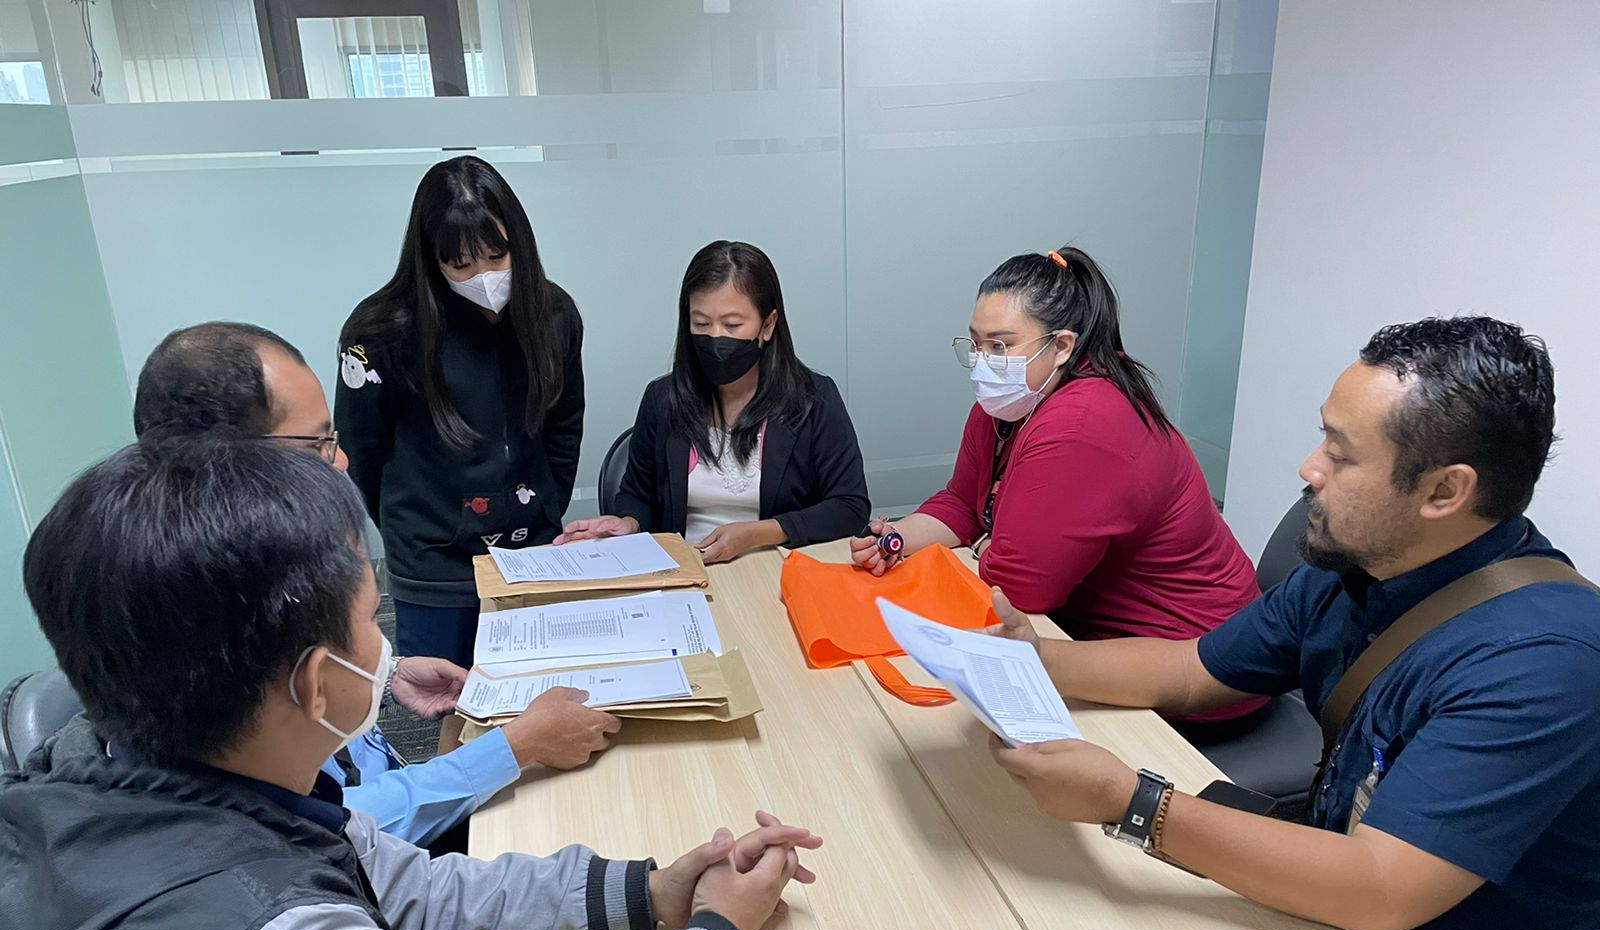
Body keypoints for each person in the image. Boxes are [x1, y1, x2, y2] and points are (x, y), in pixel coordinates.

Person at [0, 437, 822, 930]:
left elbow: (420, 897)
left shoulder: (123, 768)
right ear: (315, 685)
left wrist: (651, 893)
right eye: (371, 618)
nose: (385, 644)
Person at [987, 316, 1600, 930]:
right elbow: (1194, 670)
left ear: (1445, 491)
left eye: (1342, 454)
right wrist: (1034, 661)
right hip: (1349, 912)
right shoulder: (1355, 561)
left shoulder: (1542, 661)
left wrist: (1132, 803)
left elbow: (1382, 888)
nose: (1310, 469)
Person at [133, 320, 617, 849]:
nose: (340, 461)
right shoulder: (201, 619)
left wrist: (384, 679)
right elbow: (322, 828)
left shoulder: (261, 568)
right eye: (318, 442)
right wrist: (513, 748)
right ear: (229, 459)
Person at [850, 246, 1261, 727]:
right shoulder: (1007, 404)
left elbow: (1021, 588)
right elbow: (963, 501)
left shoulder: (1083, 421)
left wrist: (987, 546)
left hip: (1192, 662)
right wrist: (897, 540)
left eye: (1001, 346)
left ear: (1063, 346)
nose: (983, 363)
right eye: (976, 344)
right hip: (1089, 639)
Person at [336, 156, 585, 666]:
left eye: (497, 256)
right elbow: (361, 452)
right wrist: (415, 527)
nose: (484, 277)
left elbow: (564, 422)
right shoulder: (379, 332)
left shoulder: (554, 314)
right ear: (431, 258)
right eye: (461, 265)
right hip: (433, 566)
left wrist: (545, 507)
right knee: (448, 695)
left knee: (538, 686)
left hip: (531, 551)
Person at [556, 240, 869, 563]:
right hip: (686, 571)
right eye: (701, 324)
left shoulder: (813, 400)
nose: (716, 336)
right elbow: (637, 495)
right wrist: (627, 523)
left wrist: (757, 533)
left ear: (768, 325)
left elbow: (850, 507)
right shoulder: (663, 399)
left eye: (732, 325)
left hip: (777, 571)